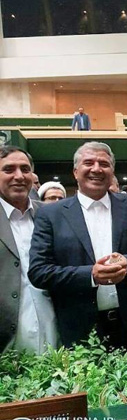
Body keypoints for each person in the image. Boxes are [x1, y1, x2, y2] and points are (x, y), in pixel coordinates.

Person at [29, 141, 127, 350]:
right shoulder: (50, 214)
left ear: (112, 172)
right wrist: (91, 275)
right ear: (75, 172)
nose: (97, 169)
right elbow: (39, 272)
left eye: (104, 164)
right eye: (89, 163)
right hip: (79, 329)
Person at [0, 146, 58, 353]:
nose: (19, 176)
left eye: (25, 169)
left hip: (59, 340)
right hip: (8, 344)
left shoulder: (52, 214)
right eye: (9, 169)